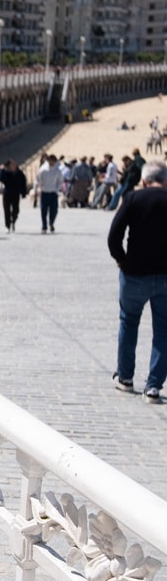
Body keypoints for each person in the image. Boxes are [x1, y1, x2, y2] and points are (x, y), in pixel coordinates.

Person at [107, 159, 167, 404]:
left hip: (134, 274)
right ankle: (153, 387)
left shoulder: (133, 198)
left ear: (143, 180)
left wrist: (122, 260)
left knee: (129, 322)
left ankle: (125, 377)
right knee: (163, 329)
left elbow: (114, 236)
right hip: (165, 277)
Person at [35, 154, 63, 233]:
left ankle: (51, 223)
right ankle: (44, 226)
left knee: (54, 210)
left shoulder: (57, 171)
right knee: (43, 210)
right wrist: (37, 189)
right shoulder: (43, 169)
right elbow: (37, 180)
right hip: (44, 192)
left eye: (53, 161)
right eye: (50, 161)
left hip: (53, 193)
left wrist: (57, 189)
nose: (52, 162)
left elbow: (60, 181)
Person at [0, 159, 28, 233]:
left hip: (16, 194)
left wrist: (24, 193)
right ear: (9, 166)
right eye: (12, 164)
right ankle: (7, 226)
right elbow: (1, 179)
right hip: (7, 193)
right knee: (6, 210)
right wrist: (2, 170)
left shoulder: (19, 173)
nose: (14, 165)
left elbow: (23, 183)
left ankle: (13, 221)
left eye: (14, 164)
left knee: (16, 210)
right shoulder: (6, 172)